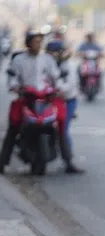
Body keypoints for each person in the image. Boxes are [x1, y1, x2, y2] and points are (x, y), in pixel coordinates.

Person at [0, 30, 62, 174]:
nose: (38, 44)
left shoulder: (47, 59)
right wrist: (16, 87)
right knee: (13, 128)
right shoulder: (19, 59)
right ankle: (3, 161)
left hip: (44, 99)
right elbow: (13, 77)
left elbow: (56, 77)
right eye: (35, 41)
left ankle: (66, 158)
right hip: (26, 98)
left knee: (58, 124)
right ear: (28, 43)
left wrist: (58, 88)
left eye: (40, 42)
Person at [46, 40, 84, 174]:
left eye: (57, 52)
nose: (54, 55)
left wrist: (57, 90)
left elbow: (68, 86)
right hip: (47, 100)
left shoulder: (69, 66)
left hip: (66, 101)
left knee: (63, 129)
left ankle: (68, 161)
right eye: (51, 52)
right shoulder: (46, 65)